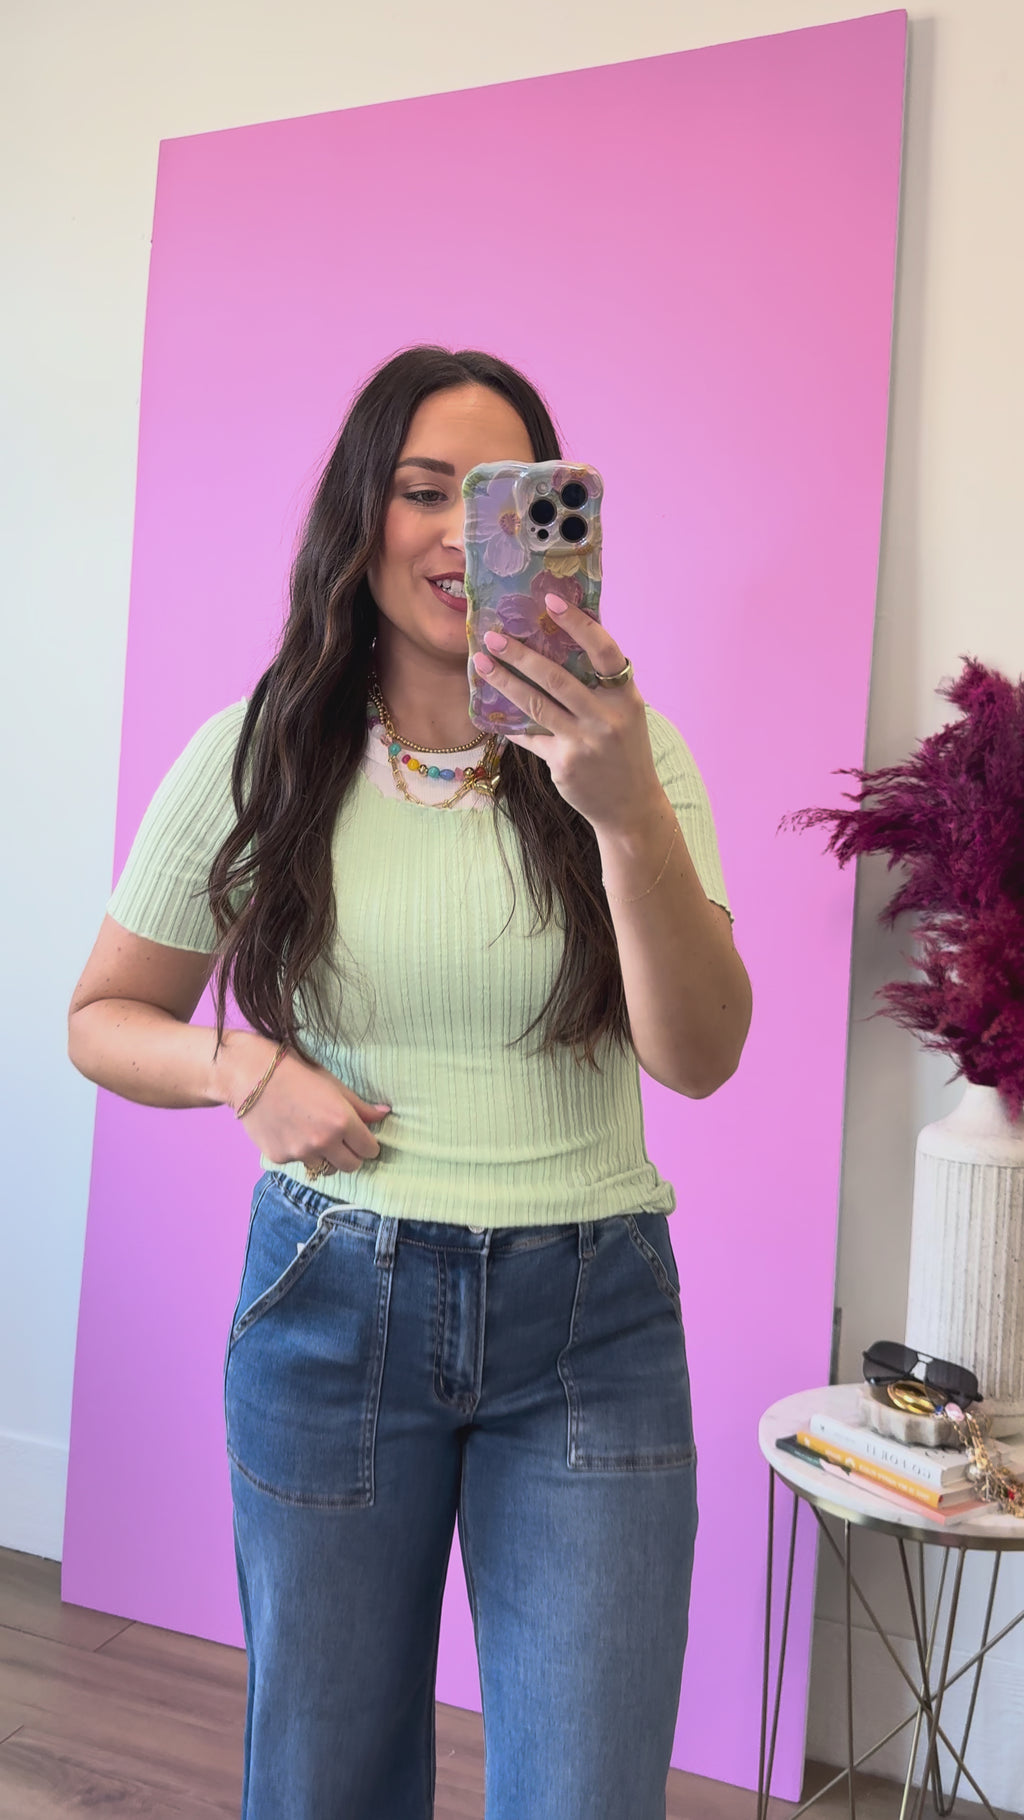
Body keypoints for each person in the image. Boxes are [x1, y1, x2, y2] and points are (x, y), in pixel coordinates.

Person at [68, 345, 752, 1820]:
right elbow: (103, 1017)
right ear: (359, 513)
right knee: (325, 1783)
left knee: (586, 1793)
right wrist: (243, 1067)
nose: (459, 536)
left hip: (592, 1325)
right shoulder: (260, 752)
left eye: (503, 499)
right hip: (332, 1306)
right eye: (424, 491)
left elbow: (700, 1057)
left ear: (555, 522)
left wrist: (625, 811)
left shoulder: (635, 760)